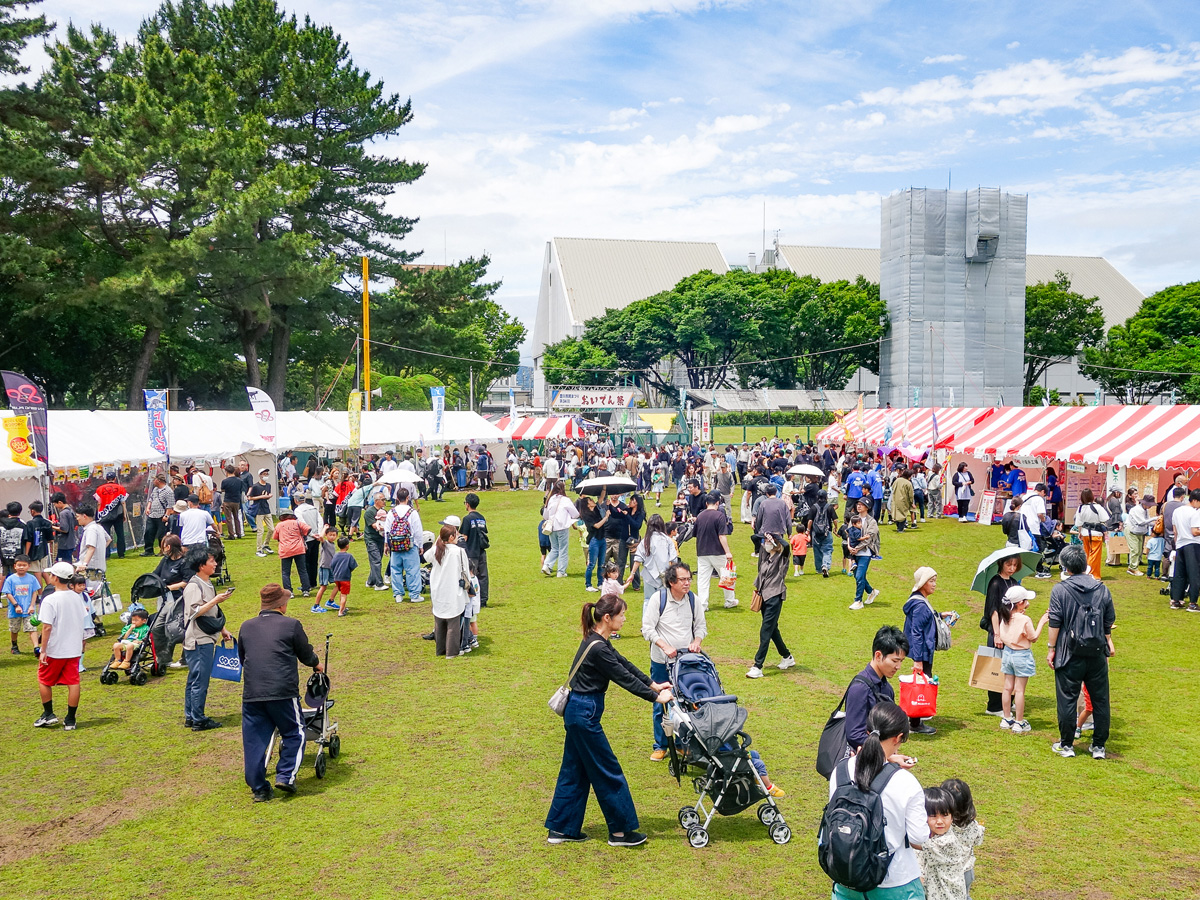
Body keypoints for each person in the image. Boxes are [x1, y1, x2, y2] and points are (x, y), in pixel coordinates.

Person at [545, 593, 673, 847]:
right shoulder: (598, 648)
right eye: (622, 615)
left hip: (578, 713)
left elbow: (624, 664)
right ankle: (620, 833)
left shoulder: (597, 640)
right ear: (607, 617)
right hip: (585, 715)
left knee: (575, 770)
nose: (624, 619)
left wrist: (653, 684)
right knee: (608, 771)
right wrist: (656, 698)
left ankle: (561, 829)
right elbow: (621, 677)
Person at [826, 703, 927, 897]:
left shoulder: (840, 770)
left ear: (867, 730)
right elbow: (918, 838)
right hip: (895, 882)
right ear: (898, 738)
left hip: (845, 876)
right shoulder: (905, 782)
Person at [237, 583, 323, 801]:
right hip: (282, 691)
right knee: (295, 732)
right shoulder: (291, 625)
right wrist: (316, 664)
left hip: (252, 693)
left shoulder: (246, 627)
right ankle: (285, 776)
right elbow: (306, 654)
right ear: (282, 605)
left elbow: (242, 658)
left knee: (254, 742)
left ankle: (259, 789)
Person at [1047, 544, 1116, 759]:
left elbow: (1055, 622)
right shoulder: (1102, 589)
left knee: (1067, 699)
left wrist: (1051, 648)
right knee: (1100, 700)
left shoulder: (1060, 590)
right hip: (1097, 652)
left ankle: (1066, 745)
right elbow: (1109, 620)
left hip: (1069, 653)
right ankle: (1099, 746)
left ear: (1065, 567)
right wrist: (1108, 642)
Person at [641, 561, 705, 760]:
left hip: (685, 662)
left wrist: (696, 641)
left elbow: (701, 627)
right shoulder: (658, 599)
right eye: (682, 580)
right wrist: (664, 646)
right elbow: (647, 629)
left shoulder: (693, 600)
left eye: (689, 579)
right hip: (661, 662)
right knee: (661, 702)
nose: (687, 583)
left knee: (685, 702)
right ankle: (661, 745)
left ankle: (681, 743)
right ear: (671, 582)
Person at [181, 547, 235, 731]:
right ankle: (198, 719)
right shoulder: (193, 586)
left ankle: (191, 716)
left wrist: (222, 629)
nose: (215, 564)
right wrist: (215, 600)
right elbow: (194, 612)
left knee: (195, 678)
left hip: (205, 638)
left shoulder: (207, 583)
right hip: (198, 640)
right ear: (201, 565)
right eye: (211, 561)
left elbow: (211, 611)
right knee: (200, 680)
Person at [33, 562, 89, 729]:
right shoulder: (76, 597)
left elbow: (47, 627)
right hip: (73, 648)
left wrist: (43, 650)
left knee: (44, 680)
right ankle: (70, 719)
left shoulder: (50, 600)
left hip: (55, 649)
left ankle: (48, 714)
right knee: (73, 682)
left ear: (56, 578)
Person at [843, 625, 909, 755]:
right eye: (895, 660)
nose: (898, 666)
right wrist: (886, 754)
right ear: (878, 655)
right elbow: (854, 734)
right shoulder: (859, 689)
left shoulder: (887, 689)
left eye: (901, 661)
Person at [995, 584, 1049, 734]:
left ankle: (1006, 718)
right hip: (1021, 655)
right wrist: (1042, 621)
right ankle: (1019, 722)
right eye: (1025, 600)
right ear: (1020, 603)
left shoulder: (1005, 616)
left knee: (1007, 688)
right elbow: (1034, 637)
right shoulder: (1025, 619)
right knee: (1019, 691)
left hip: (1007, 653)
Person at [980, 551, 1023, 717]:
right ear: (1001, 564)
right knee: (997, 667)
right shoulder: (995, 583)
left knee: (1010, 667)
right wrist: (997, 634)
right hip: (998, 630)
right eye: (1008, 564)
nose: (1012, 568)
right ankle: (994, 705)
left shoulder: (1013, 583)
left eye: (1014, 565)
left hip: (1010, 630)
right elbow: (993, 610)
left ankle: (1008, 701)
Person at [747, 532, 793, 679]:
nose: (765, 543)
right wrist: (765, 534)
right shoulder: (764, 555)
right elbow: (754, 538)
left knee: (765, 630)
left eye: (768, 541)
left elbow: (786, 546)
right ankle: (787, 656)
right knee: (772, 629)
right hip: (763, 596)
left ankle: (758, 665)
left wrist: (775, 537)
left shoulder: (782, 558)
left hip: (774, 596)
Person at [917, 786, 976, 900]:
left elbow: (916, 844)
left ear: (952, 817)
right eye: (933, 816)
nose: (939, 821)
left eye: (945, 815)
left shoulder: (947, 842)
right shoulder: (934, 836)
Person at [902, 566, 941, 735]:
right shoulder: (920, 605)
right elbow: (916, 632)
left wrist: (940, 615)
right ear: (923, 583)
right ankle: (915, 723)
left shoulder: (918, 600)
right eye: (931, 581)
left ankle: (916, 720)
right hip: (922, 650)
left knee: (923, 681)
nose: (934, 584)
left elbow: (924, 620)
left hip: (924, 649)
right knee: (920, 684)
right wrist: (918, 660)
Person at [425, 520, 470, 659]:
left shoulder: (437, 549)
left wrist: (438, 540)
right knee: (453, 623)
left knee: (439, 622)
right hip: (453, 589)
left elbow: (426, 556)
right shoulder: (459, 551)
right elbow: (466, 571)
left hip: (438, 589)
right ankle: (451, 652)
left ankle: (440, 650)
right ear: (451, 537)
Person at [942, 778, 984, 899]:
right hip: (966, 872)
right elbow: (978, 840)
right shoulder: (973, 826)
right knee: (964, 896)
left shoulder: (942, 828)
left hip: (946, 874)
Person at [695, 491, 737, 611]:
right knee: (726, 576)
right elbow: (722, 535)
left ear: (706, 503)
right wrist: (727, 552)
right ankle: (729, 601)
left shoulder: (700, 516)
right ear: (717, 503)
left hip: (702, 551)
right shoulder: (719, 516)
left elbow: (696, 533)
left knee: (703, 579)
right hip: (717, 551)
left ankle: (703, 604)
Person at [384, 488, 424, 603]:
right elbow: (418, 530)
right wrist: (420, 545)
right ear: (408, 498)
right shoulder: (412, 512)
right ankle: (414, 595)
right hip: (409, 544)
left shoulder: (391, 512)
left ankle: (398, 594)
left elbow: (387, 530)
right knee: (412, 570)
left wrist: (386, 544)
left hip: (395, 545)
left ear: (397, 498)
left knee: (395, 570)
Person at [1170, 488, 1200, 612]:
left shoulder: (1177, 511)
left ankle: (1176, 600)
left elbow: (1175, 530)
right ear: (1196, 501)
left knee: (1179, 573)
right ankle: (1193, 603)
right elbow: (1195, 531)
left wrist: (1176, 544)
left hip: (1180, 544)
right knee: (1194, 574)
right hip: (1193, 544)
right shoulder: (1195, 512)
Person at [4, 555, 40, 654]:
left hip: (28, 609)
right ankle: (14, 646)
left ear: (29, 566)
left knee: (32, 627)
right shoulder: (10, 579)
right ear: (15, 566)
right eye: (19, 565)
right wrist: (16, 605)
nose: (21, 567)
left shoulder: (32, 578)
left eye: (24, 565)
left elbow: (34, 592)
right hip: (15, 610)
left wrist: (32, 606)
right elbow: (8, 593)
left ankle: (36, 648)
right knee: (14, 629)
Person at [542, 484, 579, 579]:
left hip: (551, 527)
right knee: (563, 550)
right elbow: (575, 514)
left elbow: (545, 515)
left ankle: (547, 565)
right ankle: (561, 571)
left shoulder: (550, 499)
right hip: (562, 527)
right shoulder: (565, 500)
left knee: (554, 548)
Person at [460, 493, 490, 608]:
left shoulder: (467, 519)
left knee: (471, 576)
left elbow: (464, 537)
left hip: (471, 551)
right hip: (481, 550)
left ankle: (472, 599)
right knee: (483, 576)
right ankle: (483, 599)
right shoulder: (481, 517)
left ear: (467, 504)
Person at [272, 510, 312, 597]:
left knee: (285, 572)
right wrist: (302, 535)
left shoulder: (279, 525)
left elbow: (275, 537)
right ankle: (306, 590)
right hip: (299, 549)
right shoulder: (297, 523)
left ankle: (289, 591)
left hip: (285, 550)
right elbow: (308, 529)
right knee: (302, 570)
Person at [849, 499, 880, 610]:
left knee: (859, 576)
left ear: (867, 507)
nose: (859, 506)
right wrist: (849, 547)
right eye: (858, 504)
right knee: (858, 576)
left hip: (865, 553)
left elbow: (868, 538)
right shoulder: (854, 518)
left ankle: (858, 600)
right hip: (854, 553)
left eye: (862, 505)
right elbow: (849, 534)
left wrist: (856, 548)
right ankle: (871, 592)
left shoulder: (872, 522)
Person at [1073, 488, 1108, 578]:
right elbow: (1105, 518)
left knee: (1087, 554)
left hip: (1085, 533)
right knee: (1095, 555)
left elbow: (1079, 523)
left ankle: (1086, 572)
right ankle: (1093, 574)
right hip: (1096, 534)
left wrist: (1080, 533)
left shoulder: (1080, 508)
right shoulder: (1097, 507)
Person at [93, 471, 129, 559]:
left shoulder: (100, 489)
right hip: (118, 514)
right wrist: (124, 514)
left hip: (105, 514)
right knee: (120, 534)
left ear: (106, 479)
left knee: (105, 535)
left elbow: (98, 503)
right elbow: (123, 502)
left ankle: (106, 554)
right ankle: (121, 554)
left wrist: (98, 515)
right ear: (115, 479)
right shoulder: (121, 488)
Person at [21, 501, 53, 585]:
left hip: (33, 551)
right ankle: (50, 587)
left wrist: (26, 554)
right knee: (43, 570)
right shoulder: (47, 523)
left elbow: (29, 540)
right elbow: (51, 540)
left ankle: (40, 591)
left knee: (37, 572)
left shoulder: (30, 524)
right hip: (44, 550)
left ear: (32, 511)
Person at [362, 492, 389, 592]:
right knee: (376, 560)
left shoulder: (383, 511)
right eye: (383, 500)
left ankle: (370, 581)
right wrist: (388, 528)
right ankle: (379, 584)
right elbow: (375, 526)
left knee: (377, 560)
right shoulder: (369, 512)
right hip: (371, 539)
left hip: (380, 539)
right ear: (376, 500)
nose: (384, 501)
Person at [141, 474, 174, 555]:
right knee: (148, 532)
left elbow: (170, 505)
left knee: (161, 535)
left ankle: (163, 550)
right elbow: (151, 499)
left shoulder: (168, 491)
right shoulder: (155, 489)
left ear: (159, 481)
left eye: (154, 480)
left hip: (161, 515)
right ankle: (148, 550)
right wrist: (148, 507)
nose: (153, 481)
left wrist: (166, 515)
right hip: (152, 514)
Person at [311, 526, 340, 613]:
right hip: (324, 568)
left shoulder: (333, 544)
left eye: (334, 535)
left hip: (331, 568)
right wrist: (324, 528)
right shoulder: (325, 543)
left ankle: (331, 601)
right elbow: (320, 537)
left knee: (339, 583)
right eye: (330, 535)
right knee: (323, 587)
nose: (332, 537)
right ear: (326, 535)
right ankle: (316, 606)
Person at [329, 535, 358, 617]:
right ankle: (341, 611)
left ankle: (342, 607)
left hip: (336, 578)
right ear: (347, 545)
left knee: (341, 593)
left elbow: (332, 565)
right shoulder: (349, 556)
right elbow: (353, 566)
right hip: (345, 578)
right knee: (344, 595)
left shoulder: (335, 555)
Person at [248, 469, 275, 557]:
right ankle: (259, 549)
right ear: (260, 475)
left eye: (267, 474)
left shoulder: (268, 485)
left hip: (266, 508)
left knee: (272, 529)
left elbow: (266, 496)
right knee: (260, 530)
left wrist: (268, 496)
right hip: (259, 509)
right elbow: (250, 498)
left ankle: (265, 544)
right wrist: (261, 496)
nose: (265, 476)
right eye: (264, 474)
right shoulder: (255, 486)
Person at [1124, 494, 1153, 576]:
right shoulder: (1137, 509)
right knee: (1135, 549)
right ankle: (1132, 568)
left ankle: (1134, 566)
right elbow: (1141, 522)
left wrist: (1157, 523)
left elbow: (1148, 522)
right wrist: (1154, 519)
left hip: (1139, 531)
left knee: (1139, 550)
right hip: (1131, 530)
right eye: (1150, 504)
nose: (1151, 506)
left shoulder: (1145, 510)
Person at [219, 465, 246, 540]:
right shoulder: (240, 481)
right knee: (236, 517)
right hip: (236, 501)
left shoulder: (225, 481)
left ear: (226, 472)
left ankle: (231, 534)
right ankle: (239, 533)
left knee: (229, 518)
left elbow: (223, 491)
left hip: (227, 500)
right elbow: (241, 490)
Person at [50, 494, 78, 564]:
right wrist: (56, 524)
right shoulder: (71, 510)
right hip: (71, 542)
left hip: (64, 544)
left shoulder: (63, 513)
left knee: (62, 564)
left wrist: (52, 527)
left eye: (55, 504)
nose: (55, 506)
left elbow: (64, 529)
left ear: (60, 502)